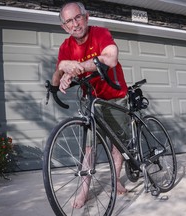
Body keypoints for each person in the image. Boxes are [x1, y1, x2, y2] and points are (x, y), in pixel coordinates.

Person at [51, 1, 129, 209]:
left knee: (117, 146)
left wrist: (77, 67)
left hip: (115, 96)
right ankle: (84, 191)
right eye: (69, 21)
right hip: (91, 99)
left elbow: (111, 58)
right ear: (64, 27)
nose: (75, 24)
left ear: (86, 17)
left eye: (78, 17)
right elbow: (56, 79)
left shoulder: (100, 33)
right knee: (89, 148)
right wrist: (62, 69)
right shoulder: (66, 47)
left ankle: (116, 180)